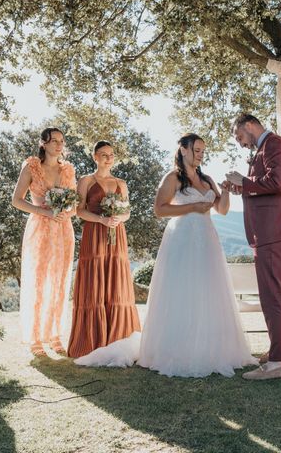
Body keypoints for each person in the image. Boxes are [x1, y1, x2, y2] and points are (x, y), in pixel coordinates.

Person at [74, 134, 256, 377]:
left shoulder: (207, 179)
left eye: (203, 150)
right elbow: (159, 210)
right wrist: (192, 207)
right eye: (197, 150)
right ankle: (179, 349)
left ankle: (212, 349)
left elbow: (221, 210)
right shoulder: (172, 178)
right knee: (181, 292)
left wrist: (226, 191)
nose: (201, 154)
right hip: (182, 240)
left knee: (209, 291)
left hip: (208, 240)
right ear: (183, 150)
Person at [225, 114, 281, 380]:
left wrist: (243, 181)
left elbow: (277, 183)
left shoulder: (274, 144)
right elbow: (263, 185)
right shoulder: (263, 148)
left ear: (249, 126)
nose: (240, 144)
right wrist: (241, 187)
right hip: (269, 230)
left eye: (239, 137)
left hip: (274, 229)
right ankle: (279, 349)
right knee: (271, 292)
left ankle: (278, 362)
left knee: (271, 294)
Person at [67, 141, 141, 358]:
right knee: (94, 281)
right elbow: (79, 211)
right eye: (103, 154)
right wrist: (101, 218)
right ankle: (91, 340)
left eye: (111, 155)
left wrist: (119, 217)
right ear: (95, 157)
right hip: (95, 234)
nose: (108, 158)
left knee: (116, 282)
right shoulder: (86, 181)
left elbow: (127, 212)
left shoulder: (121, 183)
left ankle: (118, 337)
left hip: (116, 235)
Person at [12, 127, 76, 356]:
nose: (59, 145)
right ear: (44, 143)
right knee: (39, 281)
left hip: (62, 230)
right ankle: (35, 337)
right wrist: (44, 212)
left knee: (59, 282)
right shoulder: (31, 167)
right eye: (54, 141)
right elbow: (17, 200)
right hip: (40, 228)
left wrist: (64, 214)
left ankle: (55, 334)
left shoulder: (68, 170)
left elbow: (75, 205)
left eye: (62, 141)